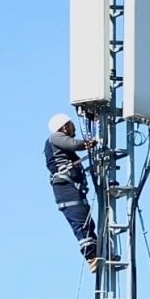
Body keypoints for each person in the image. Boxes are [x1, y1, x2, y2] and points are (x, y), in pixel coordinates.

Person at [44, 113, 99, 272]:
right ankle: (91, 257)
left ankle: (98, 253)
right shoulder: (55, 138)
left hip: (72, 189)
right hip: (67, 190)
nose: (74, 127)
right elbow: (74, 144)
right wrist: (89, 143)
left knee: (87, 222)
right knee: (81, 222)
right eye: (71, 124)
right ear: (63, 127)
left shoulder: (57, 143)